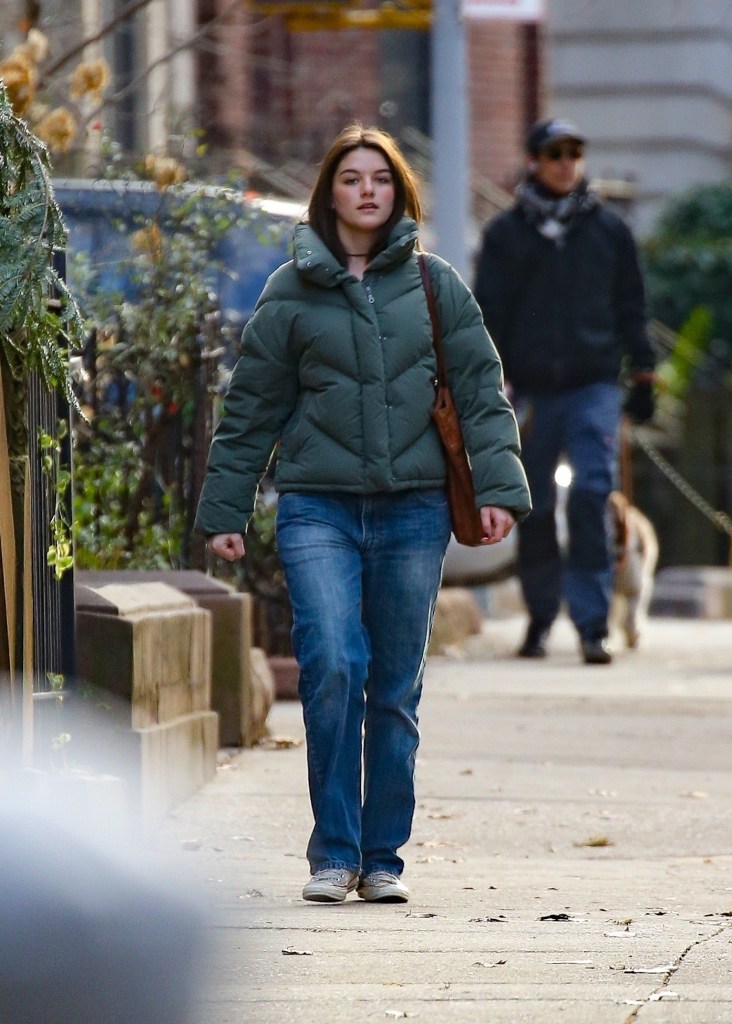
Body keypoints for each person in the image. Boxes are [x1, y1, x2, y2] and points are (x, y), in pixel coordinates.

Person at [195, 123, 530, 904]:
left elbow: (481, 389)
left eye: (381, 177)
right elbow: (250, 411)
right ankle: (333, 852)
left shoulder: (434, 284)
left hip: (414, 511)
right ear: (330, 194)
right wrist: (226, 508)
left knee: (393, 686)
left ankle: (383, 857)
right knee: (333, 666)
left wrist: (500, 493)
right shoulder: (289, 291)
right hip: (318, 509)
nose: (368, 189)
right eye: (352, 178)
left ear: (399, 191)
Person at [474, 117, 657, 666]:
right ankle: (539, 617)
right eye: (554, 153)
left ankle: (592, 625)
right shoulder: (506, 235)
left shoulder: (609, 230)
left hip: (593, 384)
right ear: (534, 160)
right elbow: (490, 316)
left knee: (591, 494)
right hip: (530, 389)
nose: (565, 162)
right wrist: (488, 383)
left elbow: (632, 305)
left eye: (575, 152)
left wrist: (644, 373)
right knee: (532, 505)